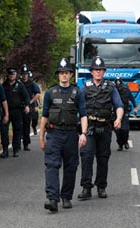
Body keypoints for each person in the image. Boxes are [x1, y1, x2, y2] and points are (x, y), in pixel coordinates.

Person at [40, 58, 88, 212]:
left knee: (71, 166)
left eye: (66, 73)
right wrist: (41, 137)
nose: (64, 76)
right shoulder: (50, 93)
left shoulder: (77, 92)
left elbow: (83, 115)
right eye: (61, 73)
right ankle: (52, 199)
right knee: (51, 165)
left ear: (70, 75)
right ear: (58, 75)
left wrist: (84, 133)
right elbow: (45, 116)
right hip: (54, 134)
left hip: (71, 134)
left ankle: (66, 196)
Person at [77, 56, 123, 200]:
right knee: (87, 156)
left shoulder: (111, 88)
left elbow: (119, 105)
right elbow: (77, 107)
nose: (98, 72)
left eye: (100, 70)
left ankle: (101, 186)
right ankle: (86, 187)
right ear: (91, 72)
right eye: (95, 70)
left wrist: (119, 118)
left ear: (104, 72)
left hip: (105, 127)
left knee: (103, 158)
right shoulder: (84, 88)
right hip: (89, 128)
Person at [1, 67, 30, 158]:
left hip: (17, 110)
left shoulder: (20, 85)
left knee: (17, 130)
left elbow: (26, 97)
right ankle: (5, 149)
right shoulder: (3, 85)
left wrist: (27, 105)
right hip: (6, 111)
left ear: (16, 75)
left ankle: (16, 149)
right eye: (10, 74)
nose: (11, 76)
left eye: (13, 74)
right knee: (4, 131)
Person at [20, 64, 41, 150]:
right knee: (18, 126)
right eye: (23, 74)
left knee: (26, 125)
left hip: (29, 107)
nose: (24, 76)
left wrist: (31, 102)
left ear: (28, 74)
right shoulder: (19, 83)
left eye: (26, 74)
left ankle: (26, 144)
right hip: (19, 106)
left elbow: (38, 94)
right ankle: (17, 145)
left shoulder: (32, 84)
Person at [113, 77, 137, 151]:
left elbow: (132, 99)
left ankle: (125, 141)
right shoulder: (112, 90)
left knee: (125, 129)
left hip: (125, 111)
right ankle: (120, 144)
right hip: (115, 112)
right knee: (117, 130)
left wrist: (135, 108)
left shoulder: (126, 90)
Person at [29, 70, 40, 135]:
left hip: (33, 103)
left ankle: (34, 126)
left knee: (35, 118)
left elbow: (38, 94)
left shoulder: (34, 85)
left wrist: (40, 103)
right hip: (25, 102)